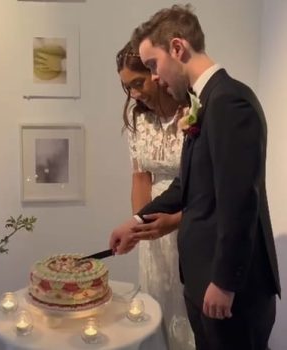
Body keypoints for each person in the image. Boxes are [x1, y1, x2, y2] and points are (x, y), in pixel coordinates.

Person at [110, 4, 281, 350]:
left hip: (232, 291)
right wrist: (136, 220)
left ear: (177, 48)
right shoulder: (207, 102)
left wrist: (225, 282)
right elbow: (186, 184)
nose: (155, 77)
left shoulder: (230, 102)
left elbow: (239, 202)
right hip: (203, 279)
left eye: (154, 65)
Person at [116, 42, 194, 349]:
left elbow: (207, 183)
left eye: (138, 83)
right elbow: (140, 177)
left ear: (156, 73)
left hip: (190, 217)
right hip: (155, 225)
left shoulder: (194, 113)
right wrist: (140, 226)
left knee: (189, 308)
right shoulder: (139, 120)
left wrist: (174, 221)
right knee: (157, 303)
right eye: (127, 87)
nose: (134, 94)